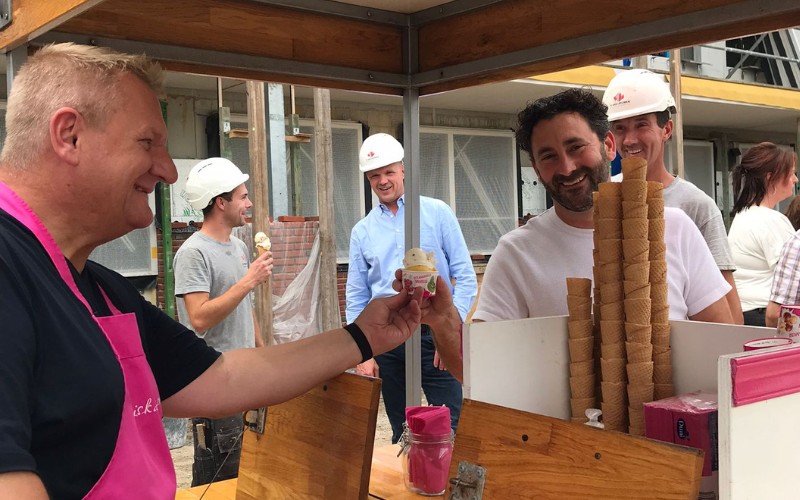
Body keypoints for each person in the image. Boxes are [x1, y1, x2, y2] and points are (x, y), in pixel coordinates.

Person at [0, 43, 424, 499]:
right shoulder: (10, 267)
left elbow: (221, 377)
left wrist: (362, 336)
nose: (167, 171)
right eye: (147, 142)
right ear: (69, 136)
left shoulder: (99, 288)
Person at [346, 133, 477, 443]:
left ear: (403, 170)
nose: (383, 181)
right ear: (368, 179)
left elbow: (465, 275)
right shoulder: (362, 231)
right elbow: (356, 296)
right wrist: (362, 352)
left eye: (389, 172)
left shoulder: (437, 213)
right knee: (403, 432)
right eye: (374, 175)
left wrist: (450, 331)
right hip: (387, 340)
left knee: (453, 428)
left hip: (434, 336)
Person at [602, 69, 743, 324]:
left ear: (666, 129)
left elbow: (731, 318)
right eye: (620, 128)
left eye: (641, 125)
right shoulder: (604, 198)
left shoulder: (696, 206)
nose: (630, 139)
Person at [173, 157, 272, 486]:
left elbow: (244, 305)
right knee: (219, 478)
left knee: (250, 474)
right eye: (243, 196)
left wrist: (262, 352)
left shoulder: (239, 246)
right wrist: (249, 280)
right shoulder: (193, 253)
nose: (249, 203)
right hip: (215, 385)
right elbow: (199, 317)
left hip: (245, 380)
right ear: (220, 202)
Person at [727, 143, 797, 326]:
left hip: (744, 314)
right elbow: (792, 274)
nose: (795, 180)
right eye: (791, 174)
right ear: (771, 178)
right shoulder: (771, 220)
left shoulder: (742, 215)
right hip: (766, 316)